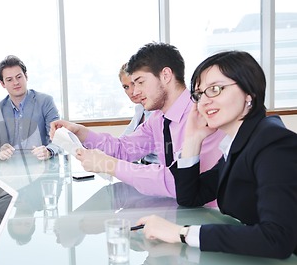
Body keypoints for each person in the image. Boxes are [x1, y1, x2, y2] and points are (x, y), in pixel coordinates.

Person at [136, 50, 297, 259]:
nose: (203, 101)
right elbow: (190, 197)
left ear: (249, 93)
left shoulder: (273, 144)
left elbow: (277, 239)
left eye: (215, 89)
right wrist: (192, 140)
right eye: (199, 94)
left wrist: (182, 233)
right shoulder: (241, 142)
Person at [50, 42, 225, 197]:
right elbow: (123, 149)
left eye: (140, 82)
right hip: (178, 209)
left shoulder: (203, 115)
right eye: (132, 85)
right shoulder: (158, 119)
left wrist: (110, 165)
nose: (134, 92)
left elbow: (177, 180)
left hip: (211, 216)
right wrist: (81, 133)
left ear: (166, 75)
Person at [0, 55, 60, 161]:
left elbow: (59, 140)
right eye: (9, 80)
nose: (16, 83)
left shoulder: (45, 101)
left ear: (26, 76)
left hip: (43, 167)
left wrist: (49, 151)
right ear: (2, 83)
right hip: (10, 171)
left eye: (19, 77)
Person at [119, 62, 159, 164]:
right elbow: (123, 140)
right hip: (144, 167)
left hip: (160, 171)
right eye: (126, 87)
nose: (132, 91)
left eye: (134, 84)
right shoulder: (140, 110)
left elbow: (132, 149)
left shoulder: (159, 112)